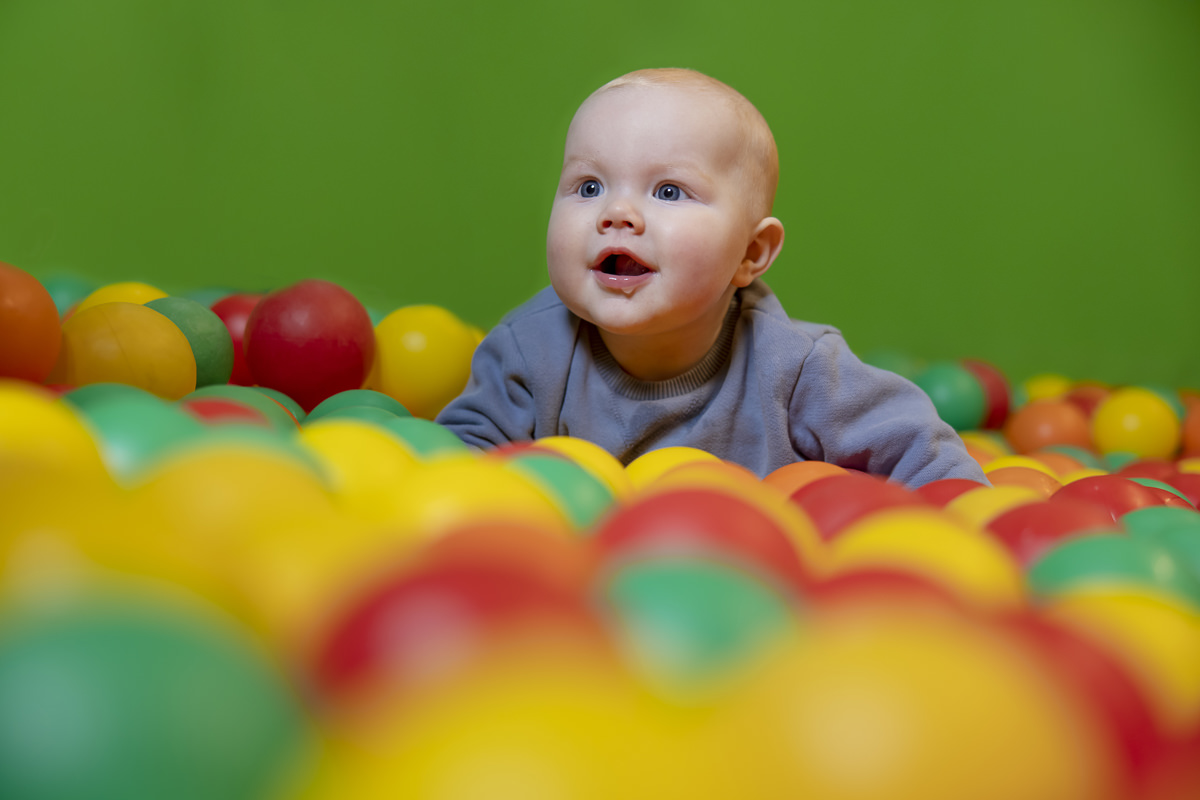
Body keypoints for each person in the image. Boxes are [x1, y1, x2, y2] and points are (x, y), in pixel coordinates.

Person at [435, 67, 987, 488]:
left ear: (751, 252)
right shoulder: (526, 352)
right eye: (588, 186)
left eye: (669, 191)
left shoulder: (796, 367)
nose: (616, 213)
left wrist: (969, 523)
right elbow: (452, 469)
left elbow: (922, 454)